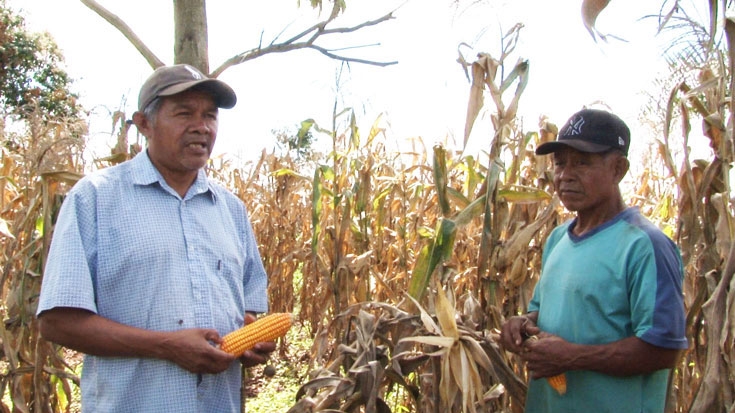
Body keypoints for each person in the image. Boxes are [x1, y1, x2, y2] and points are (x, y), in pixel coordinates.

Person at [36, 64, 275, 412]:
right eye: (184, 113)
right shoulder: (96, 199)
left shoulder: (231, 210)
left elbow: (252, 309)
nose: (201, 126)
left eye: (210, 115)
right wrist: (166, 345)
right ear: (144, 123)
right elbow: (57, 323)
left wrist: (252, 340)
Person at [499, 108, 688, 413]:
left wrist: (572, 356)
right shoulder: (558, 239)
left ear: (618, 169)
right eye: (560, 163)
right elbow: (542, 314)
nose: (565, 176)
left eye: (582, 163)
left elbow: (664, 351)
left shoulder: (645, 246)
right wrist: (521, 325)